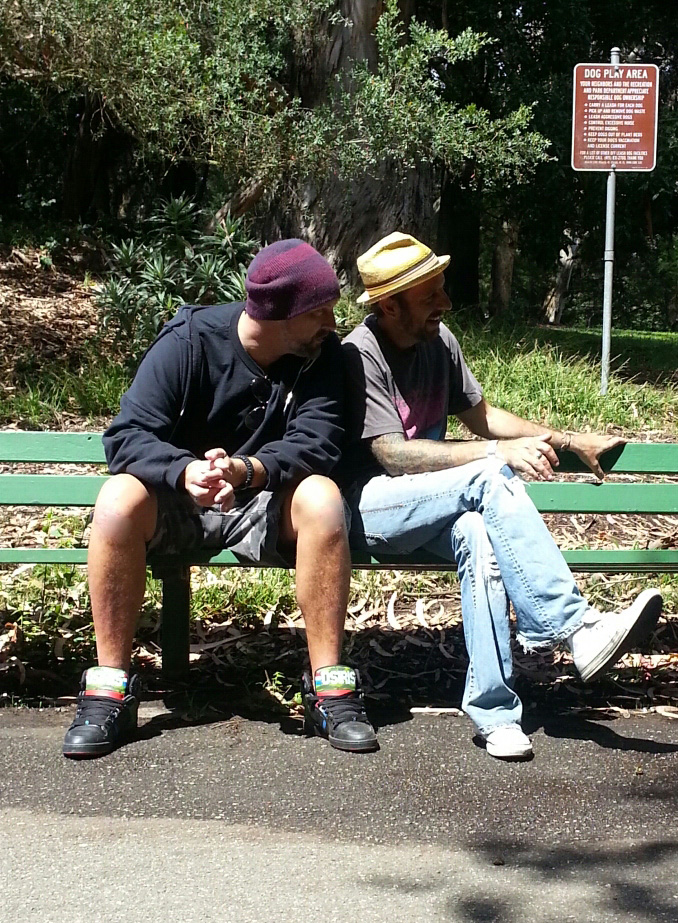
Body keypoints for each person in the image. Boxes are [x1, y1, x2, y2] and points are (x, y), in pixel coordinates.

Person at [340, 231, 662, 761]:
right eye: (430, 295)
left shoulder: (439, 341)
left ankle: (495, 714)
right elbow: (392, 455)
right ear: (390, 305)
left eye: (442, 289)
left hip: (433, 505)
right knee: (489, 474)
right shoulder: (360, 353)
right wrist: (494, 455)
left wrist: (567, 439)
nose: (445, 302)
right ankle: (574, 627)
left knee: (480, 537)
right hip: (370, 508)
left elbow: (484, 417)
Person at [63, 239, 377, 759]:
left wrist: (247, 470)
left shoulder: (320, 356)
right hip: (178, 501)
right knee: (117, 498)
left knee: (322, 496)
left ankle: (330, 688)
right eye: (319, 310)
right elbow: (126, 436)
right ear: (279, 313)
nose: (331, 321)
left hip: (263, 500)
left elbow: (319, 442)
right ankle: (108, 689)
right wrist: (184, 471)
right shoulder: (188, 341)